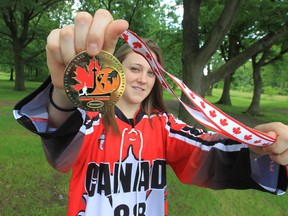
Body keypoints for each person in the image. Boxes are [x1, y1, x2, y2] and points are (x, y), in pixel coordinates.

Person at [13, 9, 288, 216]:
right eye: (134, 68)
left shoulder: (164, 126)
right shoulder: (90, 119)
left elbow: (210, 153)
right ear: (115, 69)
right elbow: (61, 156)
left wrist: (259, 146)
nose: (143, 79)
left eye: (150, 72)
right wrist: (63, 93)